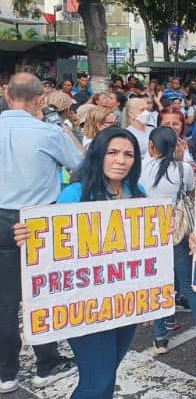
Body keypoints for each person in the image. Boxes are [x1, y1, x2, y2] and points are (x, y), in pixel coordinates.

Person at [13, 127, 148, 398]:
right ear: (98, 155)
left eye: (128, 154)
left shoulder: (138, 192)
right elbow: (51, 243)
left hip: (124, 303)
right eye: (112, 152)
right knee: (96, 382)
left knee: (107, 375)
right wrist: (30, 236)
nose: (121, 160)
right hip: (85, 305)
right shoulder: (76, 193)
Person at [0, 73, 83, 394]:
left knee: (5, 302)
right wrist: (66, 131)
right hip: (37, 220)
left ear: (8, 96)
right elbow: (80, 162)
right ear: (39, 100)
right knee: (42, 293)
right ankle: (46, 364)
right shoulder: (48, 131)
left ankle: (6, 372)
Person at [138, 127, 196, 356]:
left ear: (151, 146)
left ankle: (160, 338)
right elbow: (191, 190)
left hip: (150, 232)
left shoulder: (141, 167)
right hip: (177, 232)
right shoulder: (182, 169)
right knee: (188, 284)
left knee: (158, 284)